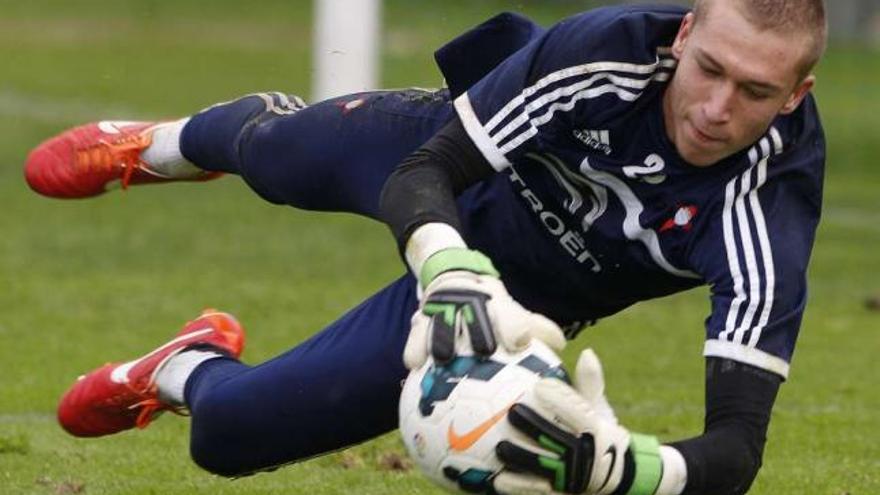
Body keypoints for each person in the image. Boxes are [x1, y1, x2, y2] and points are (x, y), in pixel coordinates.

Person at [24, 1, 827, 494]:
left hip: (517, 304)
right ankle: (163, 145)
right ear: (684, 34)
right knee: (275, 157)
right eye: (709, 69)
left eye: (755, 91)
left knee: (228, 435)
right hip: (451, 166)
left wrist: (628, 468)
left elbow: (736, 450)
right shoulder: (612, 51)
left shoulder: (769, 211)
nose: (717, 108)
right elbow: (428, 170)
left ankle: (176, 366)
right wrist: (448, 269)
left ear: (797, 94)